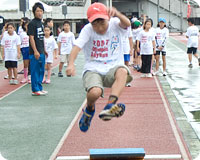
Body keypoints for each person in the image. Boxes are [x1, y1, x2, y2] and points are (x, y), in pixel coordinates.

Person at [66, 2, 132, 132]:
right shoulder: (87, 30)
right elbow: (76, 47)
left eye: (102, 23)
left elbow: (127, 24)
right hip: (93, 68)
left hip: (112, 67)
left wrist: (117, 13)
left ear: (108, 18)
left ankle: (110, 106)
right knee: (94, 92)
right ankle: (89, 109)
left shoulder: (115, 24)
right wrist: (71, 64)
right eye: (95, 24)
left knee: (123, 71)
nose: (100, 28)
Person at [28, 2, 47, 96]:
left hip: (41, 50)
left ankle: (39, 87)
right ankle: (35, 89)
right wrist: (35, 50)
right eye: (37, 11)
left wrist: (44, 49)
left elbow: (42, 37)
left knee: (41, 70)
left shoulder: (41, 23)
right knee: (35, 70)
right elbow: (31, 37)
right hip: (34, 51)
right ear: (34, 12)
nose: (39, 13)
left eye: (41, 10)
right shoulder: (32, 23)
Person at [20, 19, 30, 83]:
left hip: (31, 48)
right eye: (26, 25)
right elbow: (20, 42)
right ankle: (25, 77)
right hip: (24, 48)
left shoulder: (32, 33)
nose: (27, 27)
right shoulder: (22, 34)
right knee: (25, 63)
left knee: (31, 63)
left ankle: (30, 76)